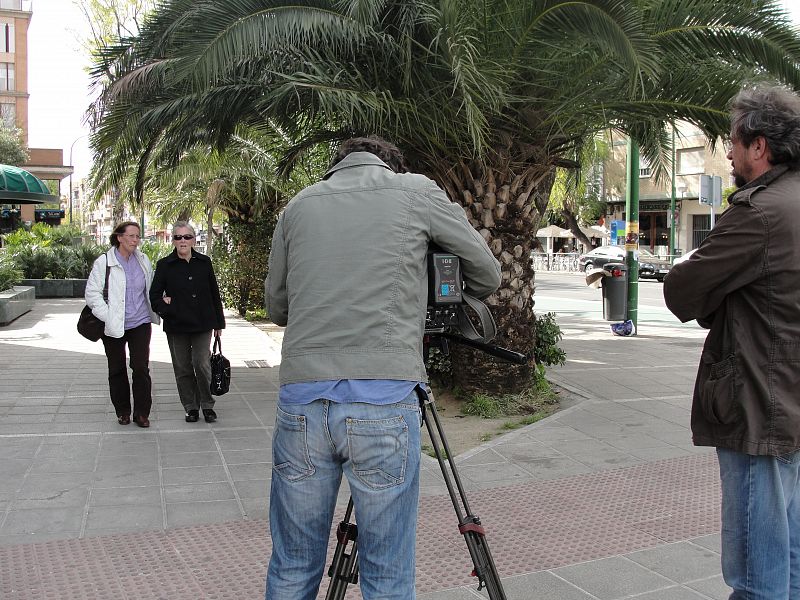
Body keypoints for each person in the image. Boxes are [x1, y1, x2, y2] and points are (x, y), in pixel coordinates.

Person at [263, 136, 501, 599]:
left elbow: (277, 307)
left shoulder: (297, 207)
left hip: (302, 404)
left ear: (337, 165)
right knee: (387, 572)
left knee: (293, 563)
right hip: (384, 401)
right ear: (392, 166)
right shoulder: (415, 191)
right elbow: (487, 275)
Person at [663, 84, 800, 600]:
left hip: (758, 403)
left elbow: (684, 290)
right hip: (788, 400)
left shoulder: (762, 212)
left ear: (759, 146)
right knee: (788, 557)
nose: (727, 151)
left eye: (733, 141)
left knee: (755, 568)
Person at [85, 221, 160, 428]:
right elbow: (92, 295)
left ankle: (142, 413)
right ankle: (123, 411)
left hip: (141, 322)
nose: (135, 240)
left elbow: (150, 288)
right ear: (119, 237)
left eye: (138, 236)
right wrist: (108, 316)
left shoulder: (143, 260)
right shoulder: (104, 262)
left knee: (140, 367)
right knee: (116, 369)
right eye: (131, 236)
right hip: (114, 325)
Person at [150, 222, 225, 423]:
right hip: (177, 326)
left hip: (203, 323)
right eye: (178, 237)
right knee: (182, 367)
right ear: (172, 240)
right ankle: (190, 407)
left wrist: (219, 323)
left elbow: (214, 293)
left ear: (193, 239)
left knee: (201, 363)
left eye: (187, 237)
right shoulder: (164, 265)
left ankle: (207, 405)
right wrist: (169, 309)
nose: (182, 241)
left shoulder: (204, 262)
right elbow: (154, 296)